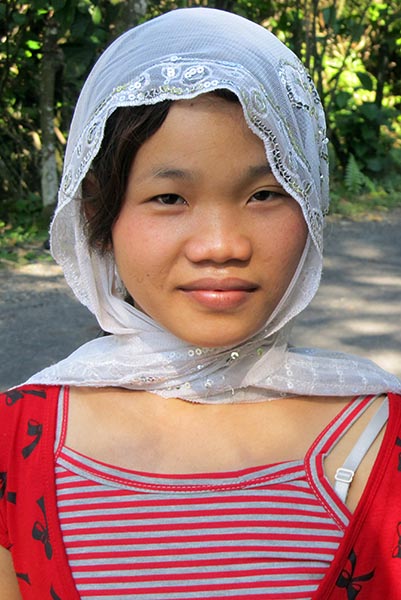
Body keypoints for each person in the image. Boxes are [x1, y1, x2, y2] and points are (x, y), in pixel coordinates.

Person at [1, 7, 400, 599]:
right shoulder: (17, 440)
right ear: (98, 217)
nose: (222, 245)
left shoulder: (379, 443)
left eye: (265, 193)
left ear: (311, 203)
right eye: (169, 197)